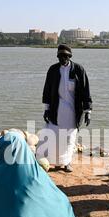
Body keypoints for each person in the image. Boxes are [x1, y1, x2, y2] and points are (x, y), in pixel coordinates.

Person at [38, 44, 92, 173]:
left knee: (69, 138)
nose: (62, 59)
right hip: (56, 109)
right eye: (59, 56)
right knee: (55, 137)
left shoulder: (79, 70)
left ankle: (67, 162)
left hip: (73, 110)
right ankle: (57, 162)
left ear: (69, 56)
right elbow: (47, 89)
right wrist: (46, 108)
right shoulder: (53, 70)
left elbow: (86, 91)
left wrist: (87, 111)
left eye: (64, 56)